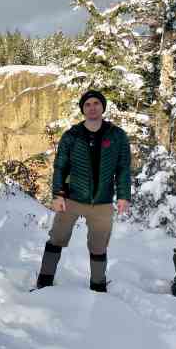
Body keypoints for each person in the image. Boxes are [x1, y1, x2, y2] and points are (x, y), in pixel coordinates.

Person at [36, 89, 132, 292]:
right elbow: (60, 167)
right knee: (57, 238)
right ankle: (43, 282)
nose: (92, 107)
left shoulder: (117, 135)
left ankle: (98, 287)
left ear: (103, 107)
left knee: (99, 245)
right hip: (72, 198)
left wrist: (123, 196)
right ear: (83, 109)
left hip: (102, 201)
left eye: (96, 103)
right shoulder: (72, 135)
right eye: (87, 104)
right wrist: (58, 195)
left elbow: (123, 168)